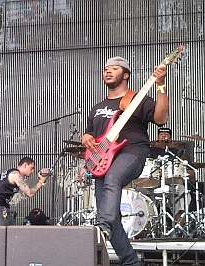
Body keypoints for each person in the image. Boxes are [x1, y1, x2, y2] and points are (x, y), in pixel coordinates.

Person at [82, 56, 168, 265]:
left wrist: (161, 85)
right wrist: (86, 138)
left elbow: (160, 118)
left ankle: (101, 227)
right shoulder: (97, 107)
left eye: (114, 68)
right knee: (112, 217)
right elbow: (91, 135)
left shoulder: (136, 99)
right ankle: (130, 262)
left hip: (132, 152)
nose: (108, 71)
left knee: (113, 182)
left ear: (126, 74)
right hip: (103, 160)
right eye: (105, 69)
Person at [150, 127, 195, 226]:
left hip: (173, 183)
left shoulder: (178, 153)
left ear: (170, 137)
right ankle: (147, 227)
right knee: (142, 193)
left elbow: (191, 172)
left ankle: (179, 227)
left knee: (184, 192)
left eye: (166, 134)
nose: (164, 135)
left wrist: (187, 174)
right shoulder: (150, 151)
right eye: (161, 134)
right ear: (158, 136)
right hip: (154, 183)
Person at [0, 157, 49, 225]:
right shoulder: (16, 175)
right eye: (32, 168)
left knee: (11, 230)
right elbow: (29, 193)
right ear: (25, 165)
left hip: (1, 206)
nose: (32, 171)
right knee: (2, 232)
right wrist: (41, 181)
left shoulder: (11, 172)